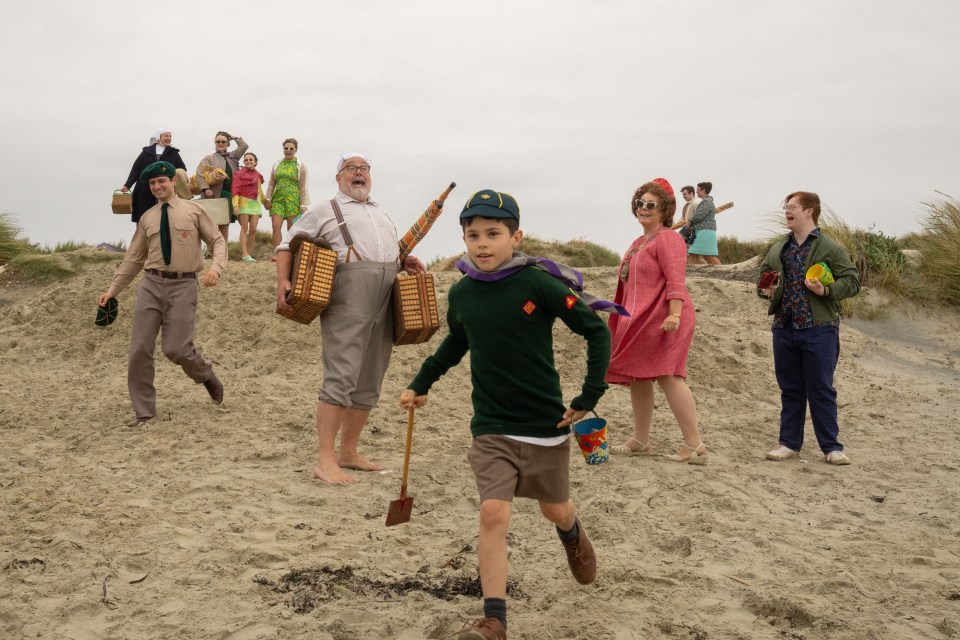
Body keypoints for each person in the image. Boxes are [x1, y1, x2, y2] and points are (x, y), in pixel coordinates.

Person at [400, 189, 611, 640]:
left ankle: (572, 533)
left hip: (545, 427)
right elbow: (457, 342)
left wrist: (590, 394)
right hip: (491, 427)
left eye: (493, 234)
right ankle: (494, 620)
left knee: (555, 510)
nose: (482, 244)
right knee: (493, 512)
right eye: (472, 235)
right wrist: (422, 383)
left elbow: (595, 329)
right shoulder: (462, 292)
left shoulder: (539, 284)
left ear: (516, 236)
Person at [275, 152, 424, 485]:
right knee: (342, 374)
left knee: (370, 377)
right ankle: (325, 460)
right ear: (339, 177)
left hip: (385, 293)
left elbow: (387, 253)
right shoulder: (323, 209)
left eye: (364, 169)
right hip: (347, 294)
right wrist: (283, 282)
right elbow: (286, 245)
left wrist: (405, 261)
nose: (359, 174)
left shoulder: (381, 211)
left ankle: (349, 452)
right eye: (351, 169)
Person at [98, 161, 227, 424]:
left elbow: (217, 240)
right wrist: (113, 290)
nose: (157, 187)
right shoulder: (147, 218)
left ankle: (205, 374)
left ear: (172, 182)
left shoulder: (194, 210)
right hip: (151, 284)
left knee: (176, 348)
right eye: (152, 183)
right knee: (139, 349)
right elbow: (133, 258)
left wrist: (216, 268)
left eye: (161, 181)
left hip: (184, 285)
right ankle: (144, 412)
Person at [607, 178, 707, 463]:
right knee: (638, 375)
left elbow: (676, 279)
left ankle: (695, 446)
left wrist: (674, 314)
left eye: (651, 205)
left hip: (666, 315)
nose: (643, 208)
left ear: (665, 210)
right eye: (640, 203)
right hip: (640, 317)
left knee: (669, 375)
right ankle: (640, 439)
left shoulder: (670, 238)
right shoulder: (640, 241)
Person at [759, 191, 860, 465]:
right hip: (784, 326)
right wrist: (766, 289)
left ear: (809, 211)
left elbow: (852, 281)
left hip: (819, 328)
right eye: (785, 208)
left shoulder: (830, 247)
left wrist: (826, 289)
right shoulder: (779, 247)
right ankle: (789, 444)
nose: (787, 211)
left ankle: (832, 447)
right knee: (790, 389)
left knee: (821, 388)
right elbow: (765, 278)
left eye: (792, 207)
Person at [120, 128, 187, 224]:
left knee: (166, 217)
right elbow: (136, 169)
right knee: (144, 217)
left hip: (165, 190)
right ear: (159, 137)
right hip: (145, 189)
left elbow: (182, 169)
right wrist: (127, 185)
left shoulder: (173, 153)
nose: (169, 138)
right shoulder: (146, 152)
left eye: (170, 136)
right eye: (166, 136)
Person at [197, 131, 248, 245]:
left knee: (224, 224)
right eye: (218, 141)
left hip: (229, 194)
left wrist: (234, 137)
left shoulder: (233, 156)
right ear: (215, 143)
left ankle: (222, 250)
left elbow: (244, 146)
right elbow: (200, 172)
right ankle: (211, 250)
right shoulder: (209, 158)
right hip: (214, 194)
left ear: (228, 144)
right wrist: (205, 189)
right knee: (210, 224)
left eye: (223, 141)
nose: (220, 143)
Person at [265, 138, 311, 261]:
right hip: (278, 199)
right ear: (283, 149)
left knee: (291, 228)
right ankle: (278, 253)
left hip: (293, 199)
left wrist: (303, 204)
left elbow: (303, 186)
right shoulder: (277, 164)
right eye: (286, 148)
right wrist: (268, 198)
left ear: (295, 150)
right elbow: (271, 183)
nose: (288, 151)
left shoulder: (300, 166)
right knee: (276, 226)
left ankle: (291, 254)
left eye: (291, 149)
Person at [231, 152, 267, 262]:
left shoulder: (258, 175)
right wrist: (235, 205)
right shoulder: (238, 174)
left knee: (253, 229)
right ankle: (244, 254)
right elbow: (235, 190)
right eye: (246, 160)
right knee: (244, 228)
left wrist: (265, 202)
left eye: (251, 160)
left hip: (255, 204)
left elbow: (259, 191)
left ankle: (249, 254)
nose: (248, 161)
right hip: (244, 202)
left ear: (255, 162)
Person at [686, 181, 722, 265]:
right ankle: (688, 274)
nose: (696, 191)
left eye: (698, 190)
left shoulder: (707, 202)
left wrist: (690, 221)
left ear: (704, 190)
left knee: (702, 255)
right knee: (698, 255)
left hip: (704, 232)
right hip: (704, 231)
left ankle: (687, 274)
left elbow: (699, 215)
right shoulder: (707, 201)